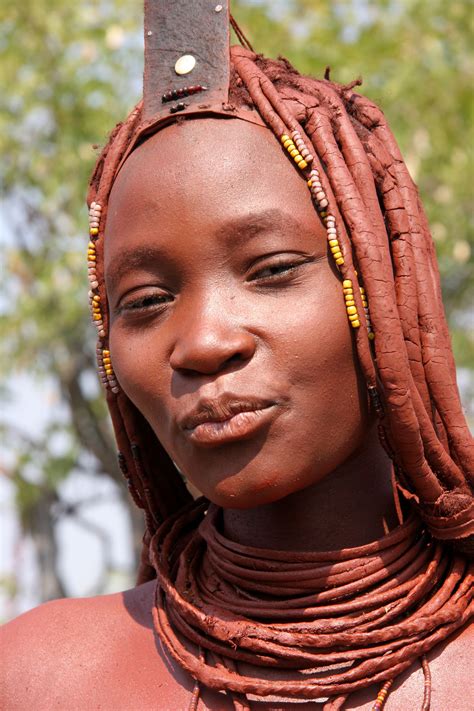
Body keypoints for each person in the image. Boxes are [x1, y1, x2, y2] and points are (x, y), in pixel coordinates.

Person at [1, 3, 473, 709]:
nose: (202, 342)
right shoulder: (39, 678)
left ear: (382, 289)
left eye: (272, 269)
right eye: (146, 301)